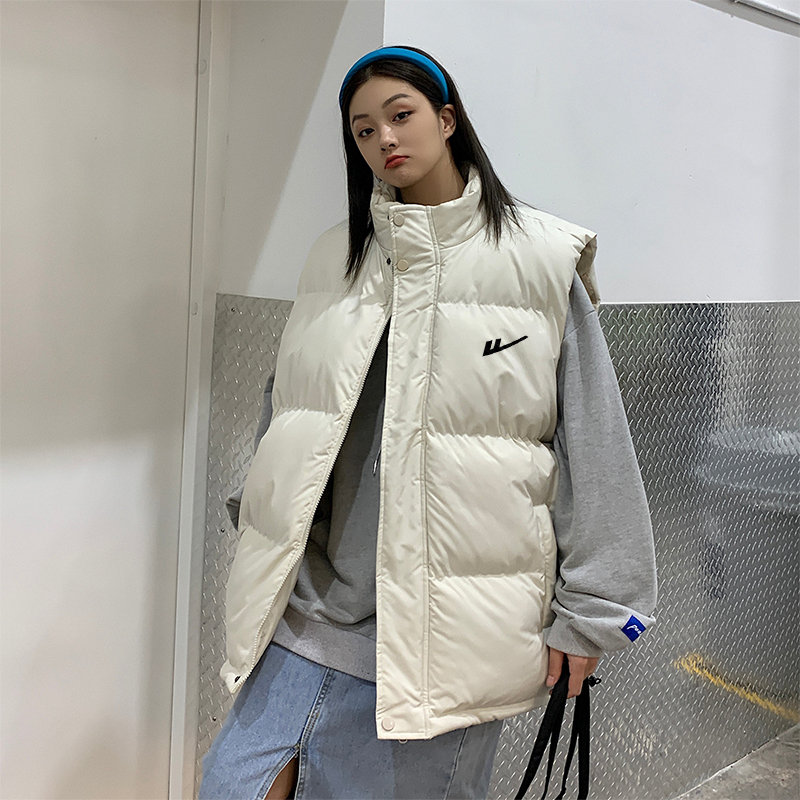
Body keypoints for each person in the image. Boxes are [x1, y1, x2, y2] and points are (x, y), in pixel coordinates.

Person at [199, 45, 658, 800]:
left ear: (446, 120)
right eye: (363, 129)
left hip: (446, 637)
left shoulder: (538, 259)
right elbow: (291, 404)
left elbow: (595, 439)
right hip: (308, 612)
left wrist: (596, 610)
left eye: (400, 115)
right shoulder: (335, 256)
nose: (384, 138)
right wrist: (260, 514)